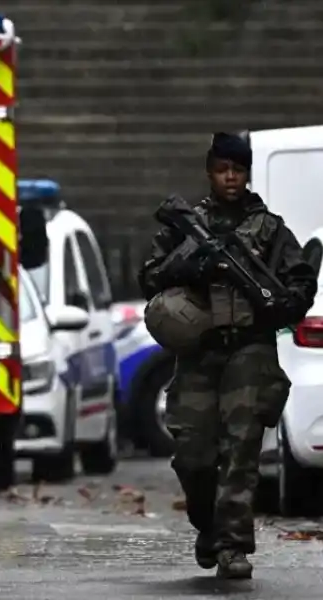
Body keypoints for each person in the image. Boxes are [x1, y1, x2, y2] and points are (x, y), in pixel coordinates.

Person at [137, 132, 317, 579]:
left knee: (242, 450)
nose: (230, 178)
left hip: (249, 349)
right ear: (210, 172)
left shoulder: (270, 228)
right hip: (199, 353)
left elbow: (300, 280)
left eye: (237, 170)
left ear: (247, 173)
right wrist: (192, 265)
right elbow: (151, 277)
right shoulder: (185, 225)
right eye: (222, 170)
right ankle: (209, 526)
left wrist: (285, 305)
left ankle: (234, 547)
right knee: (193, 455)